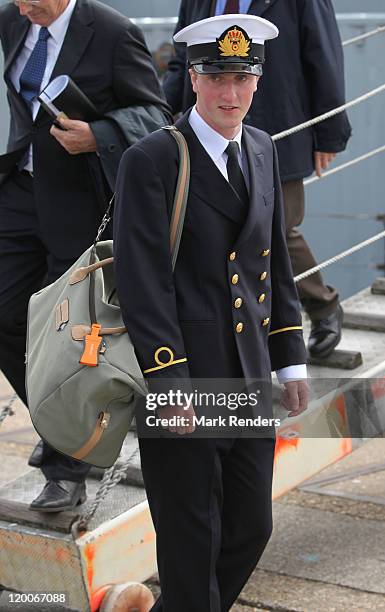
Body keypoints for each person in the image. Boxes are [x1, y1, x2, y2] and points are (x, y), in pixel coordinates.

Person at [114, 14, 309, 611]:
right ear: (191, 79)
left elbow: (272, 264)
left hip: (247, 379)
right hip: (185, 380)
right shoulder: (152, 159)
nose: (231, 94)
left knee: (251, 528)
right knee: (191, 540)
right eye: (216, 78)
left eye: (243, 78)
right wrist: (166, 380)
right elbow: (142, 283)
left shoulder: (260, 147)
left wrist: (290, 359)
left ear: (257, 82)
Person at [0, 0, 171, 512]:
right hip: (22, 190)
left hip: (81, 201)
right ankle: (66, 422)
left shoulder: (115, 33)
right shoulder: (14, 19)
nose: (23, 5)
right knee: (6, 312)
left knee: (65, 329)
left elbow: (157, 114)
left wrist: (99, 135)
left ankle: (67, 463)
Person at [163, 0, 352, 359]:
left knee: (278, 229)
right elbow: (181, 59)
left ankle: (322, 307)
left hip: (279, 128)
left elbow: (323, 57)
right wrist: (160, 115)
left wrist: (329, 133)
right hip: (205, 135)